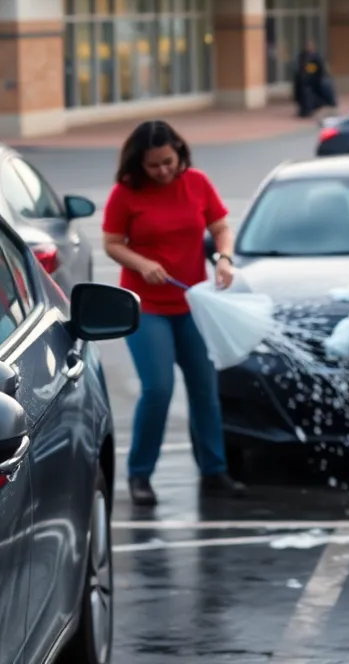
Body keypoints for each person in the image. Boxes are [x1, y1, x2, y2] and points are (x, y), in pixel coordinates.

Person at [102, 120, 248, 507]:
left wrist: (224, 259)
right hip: (145, 305)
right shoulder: (126, 193)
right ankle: (139, 476)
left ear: (180, 154)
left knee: (204, 387)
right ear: (139, 164)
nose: (164, 171)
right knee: (158, 389)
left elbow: (221, 228)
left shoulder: (197, 182)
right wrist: (141, 262)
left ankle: (214, 470)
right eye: (155, 166)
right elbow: (112, 244)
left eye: (169, 162)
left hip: (190, 304)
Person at [293, 39, 335, 119]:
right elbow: (299, 68)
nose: (308, 48)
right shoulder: (302, 56)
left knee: (312, 96)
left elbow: (320, 69)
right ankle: (304, 111)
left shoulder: (316, 57)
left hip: (314, 80)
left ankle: (310, 109)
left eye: (310, 46)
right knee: (303, 96)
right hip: (304, 80)